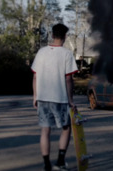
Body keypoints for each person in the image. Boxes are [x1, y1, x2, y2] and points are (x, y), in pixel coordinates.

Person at [31, 23, 78, 171]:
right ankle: (60, 162)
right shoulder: (67, 54)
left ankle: (46, 165)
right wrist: (71, 100)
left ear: (52, 35)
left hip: (43, 98)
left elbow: (35, 77)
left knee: (45, 131)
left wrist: (35, 96)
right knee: (66, 129)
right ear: (65, 36)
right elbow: (68, 79)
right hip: (60, 98)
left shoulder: (41, 52)